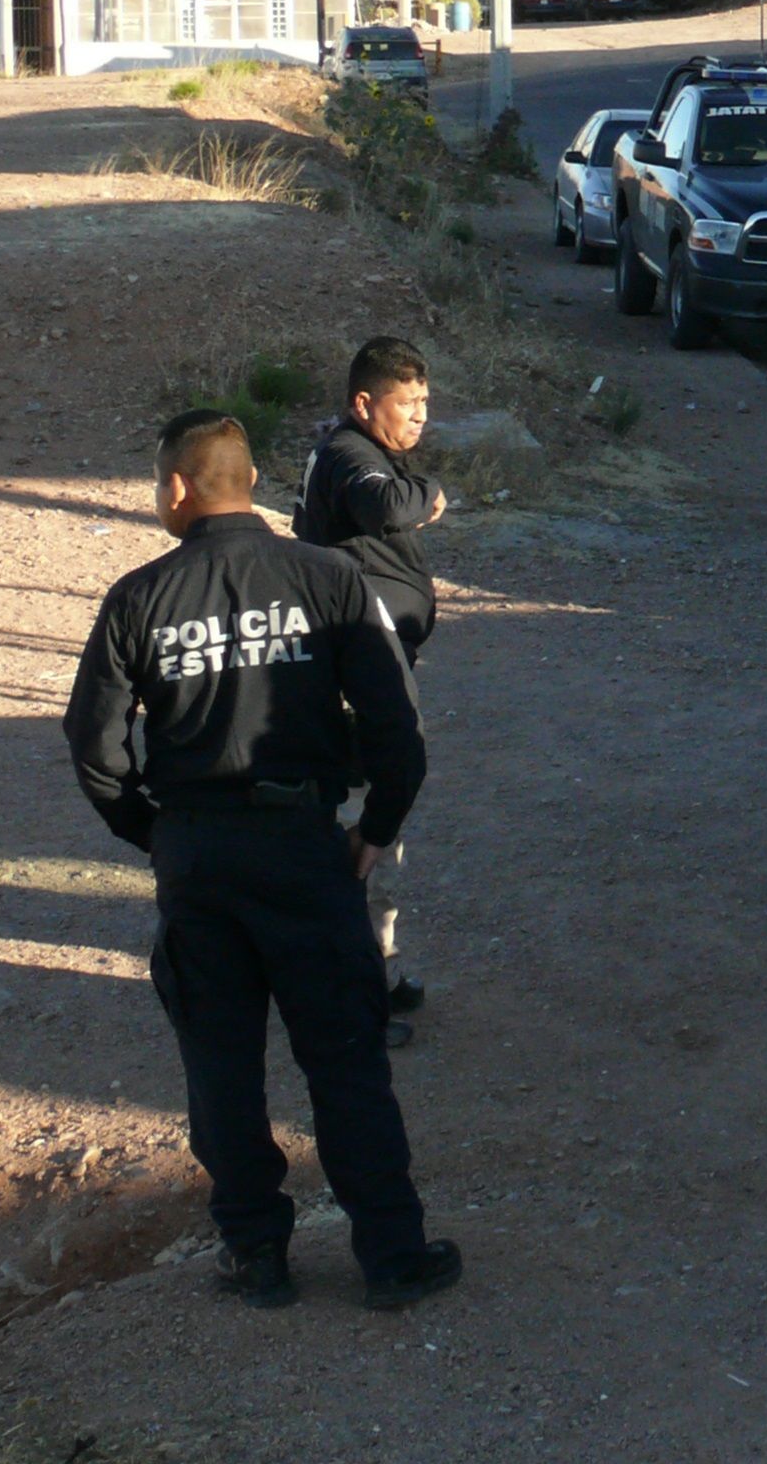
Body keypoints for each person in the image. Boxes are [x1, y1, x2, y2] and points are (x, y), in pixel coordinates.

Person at [63, 410, 462, 1313]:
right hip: (306, 849)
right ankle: (392, 1256)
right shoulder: (329, 577)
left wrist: (155, 833)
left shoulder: (138, 597)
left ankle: (255, 1253)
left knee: (221, 1065)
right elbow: (397, 727)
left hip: (198, 857)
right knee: (346, 1059)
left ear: (177, 488)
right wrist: (374, 829)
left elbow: (94, 745)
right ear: (248, 483)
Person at [292, 336, 447, 1045]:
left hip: (363, 661)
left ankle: (374, 975)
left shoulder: (350, 448)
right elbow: (381, 503)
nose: (419, 416)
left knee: (371, 829)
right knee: (363, 831)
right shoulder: (353, 456)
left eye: (425, 402)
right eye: (406, 403)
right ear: (364, 402)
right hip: (353, 674)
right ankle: (352, 998)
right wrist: (428, 493)